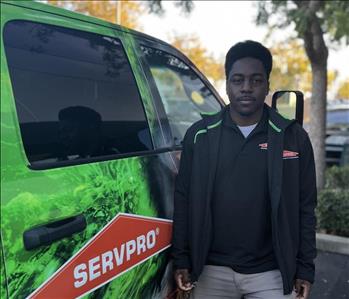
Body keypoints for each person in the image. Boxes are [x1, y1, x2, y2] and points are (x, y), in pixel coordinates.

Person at [171, 40, 317, 299]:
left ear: (268, 86)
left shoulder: (292, 137)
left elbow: (306, 208)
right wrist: (182, 259)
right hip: (210, 270)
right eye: (238, 80)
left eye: (256, 80)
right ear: (227, 85)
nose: (246, 88)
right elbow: (183, 200)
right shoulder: (200, 135)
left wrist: (305, 269)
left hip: (271, 274)